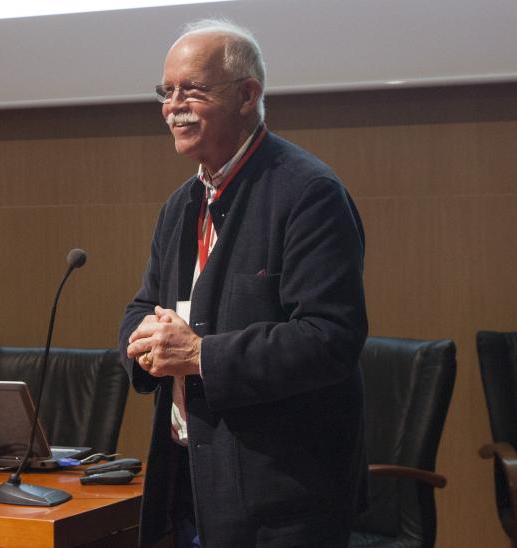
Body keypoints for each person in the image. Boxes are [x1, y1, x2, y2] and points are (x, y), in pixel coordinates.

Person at [119, 19, 369, 547]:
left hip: (281, 500)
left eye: (193, 90)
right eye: (167, 92)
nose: (174, 106)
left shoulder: (308, 193)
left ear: (247, 95)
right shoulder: (181, 205)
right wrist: (142, 341)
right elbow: (143, 305)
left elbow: (330, 337)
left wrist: (201, 355)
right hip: (190, 481)